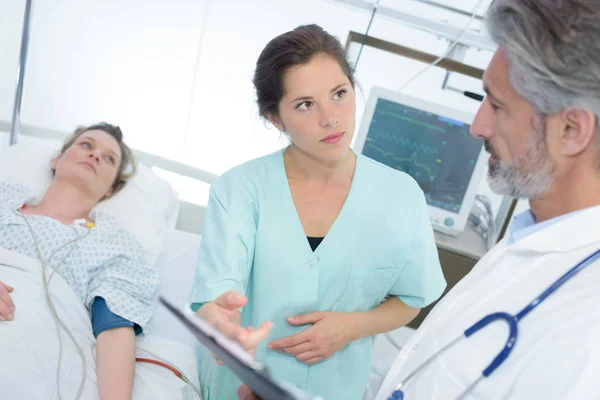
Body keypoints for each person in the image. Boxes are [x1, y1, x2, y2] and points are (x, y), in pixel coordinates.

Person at [189, 25, 447, 400]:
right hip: (242, 388)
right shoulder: (239, 189)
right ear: (275, 118)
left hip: (336, 389)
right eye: (305, 104)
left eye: (339, 94)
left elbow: (411, 298)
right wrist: (217, 322)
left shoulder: (401, 195)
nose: (331, 118)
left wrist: (350, 327)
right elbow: (217, 297)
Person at [370, 1, 600, 399]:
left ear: (571, 129)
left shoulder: (587, 337)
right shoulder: (527, 240)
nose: (478, 127)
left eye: (496, 105)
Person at [0, 123, 160, 399]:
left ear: (111, 188)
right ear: (56, 159)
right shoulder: (3, 199)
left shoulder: (112, 241)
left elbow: (114, 329)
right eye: (86, 145)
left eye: (109, 158)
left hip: (29, 344)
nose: (95, 155)